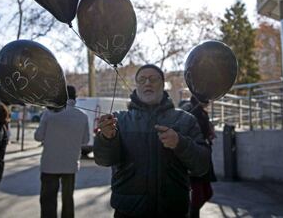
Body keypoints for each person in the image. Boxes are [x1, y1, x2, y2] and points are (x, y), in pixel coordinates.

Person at [94, 64, 211, 218]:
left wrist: (179, 143)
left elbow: (202, 165)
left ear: (163, 85)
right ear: (136, 86)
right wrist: (106, 138)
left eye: (153, 79)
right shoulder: (119, 120)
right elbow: (104, 160)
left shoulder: (186, 120)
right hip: (128, 211)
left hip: (174, 211)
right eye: (142, 79)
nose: (147, 83)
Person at [34, 85, 89, 218]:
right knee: (68, 199)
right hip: (71, 164)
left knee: (48, 199)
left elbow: (38, 137)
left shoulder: (49, 113)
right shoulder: (82, 115)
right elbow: (85, 140)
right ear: (74, 97)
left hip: (49, 164)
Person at [180, 96, 217, 218]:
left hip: (203, 155)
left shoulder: (202, 112)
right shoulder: (190, 110)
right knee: (197, 196)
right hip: (193, 159)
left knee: (206, 193)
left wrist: (209, 132)